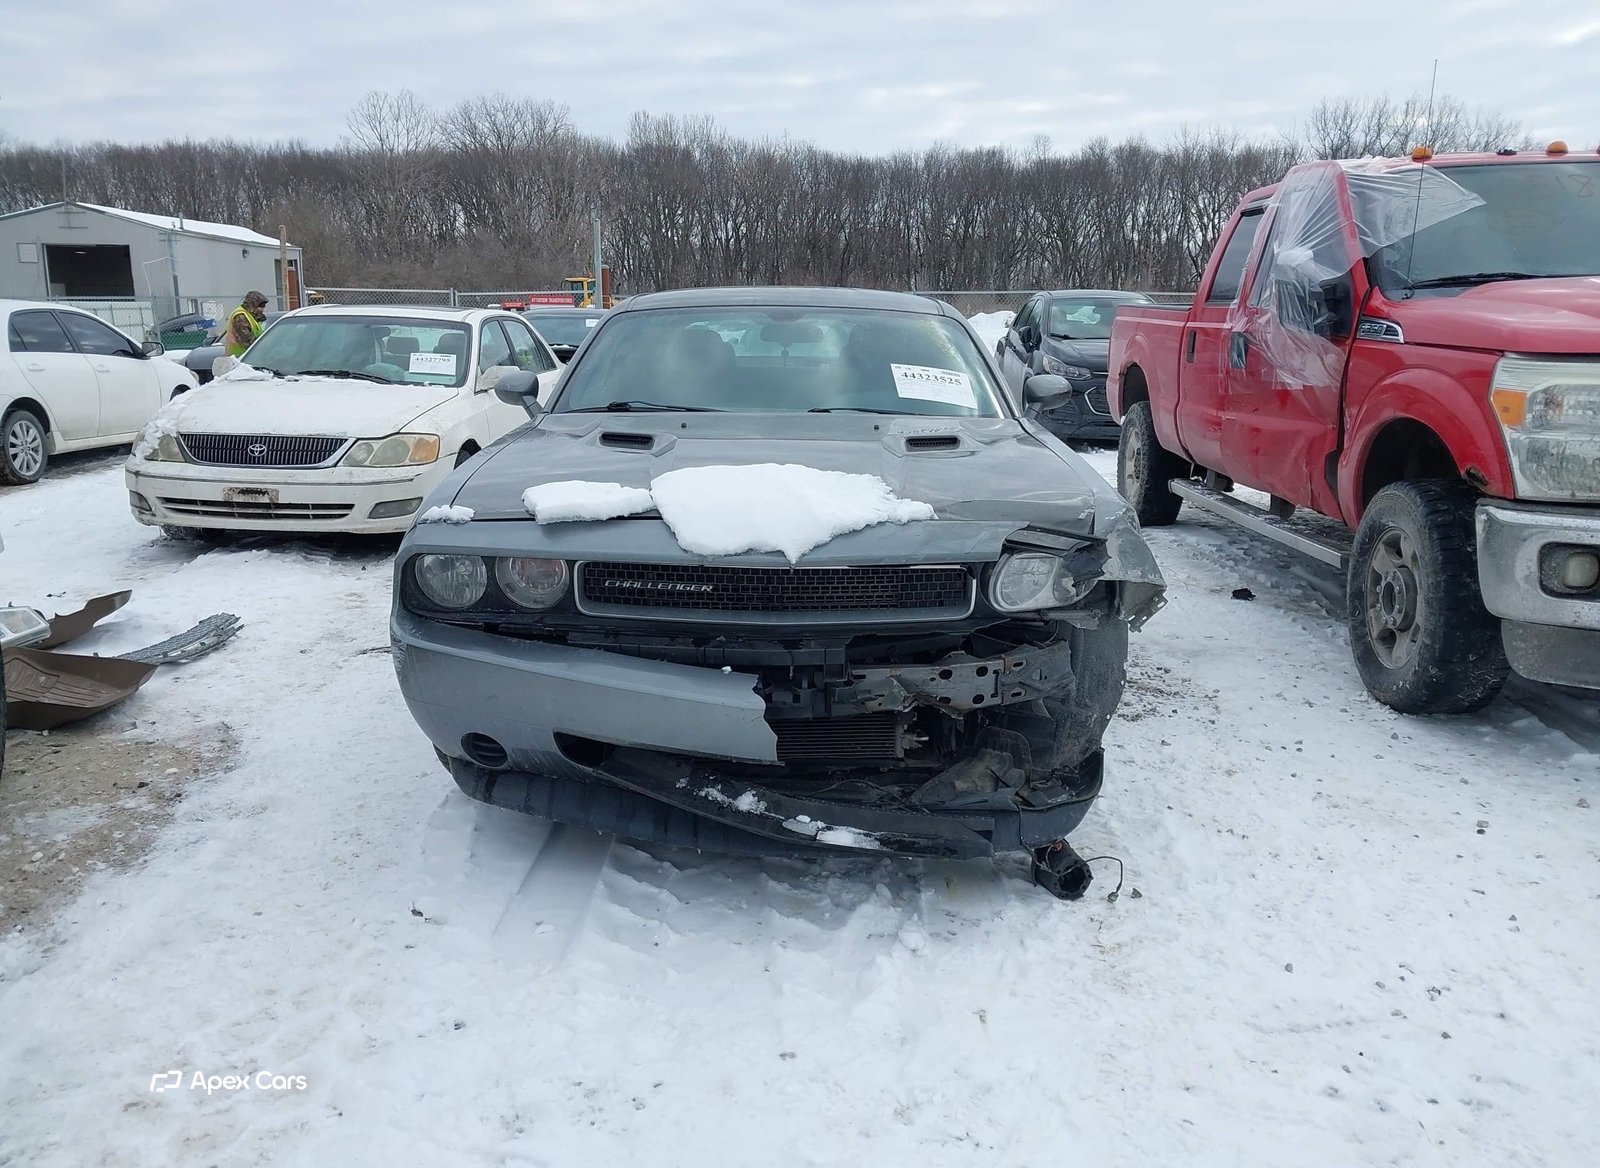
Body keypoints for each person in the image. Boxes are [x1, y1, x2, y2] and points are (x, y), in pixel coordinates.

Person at [225, 291, 269, 358]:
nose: (262, 310)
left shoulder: (251, 316)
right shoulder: (240, 316)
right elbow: (248, 341)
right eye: (260, 307)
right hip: (238, 359)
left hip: (246, 358)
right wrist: (267, 348)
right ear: (252, 305)